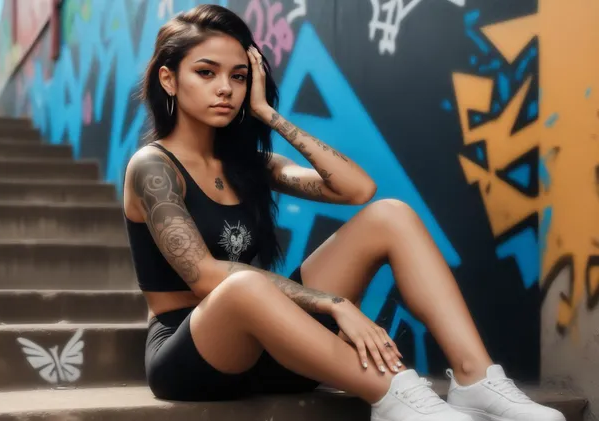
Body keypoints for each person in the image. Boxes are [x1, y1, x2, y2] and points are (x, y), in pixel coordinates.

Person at [122, 4, 565, 421]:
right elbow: (203, 276)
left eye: (238, 77)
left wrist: (267, 114)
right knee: (241, 286)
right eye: (206, 72)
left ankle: (475, 379)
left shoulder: (249, 166)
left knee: (390, 214)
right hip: (195, 356)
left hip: (279, 347)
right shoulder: (153, 168)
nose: (225, 88)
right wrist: (334, 305)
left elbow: (357, 189)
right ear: (168, 79)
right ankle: (394, 394)